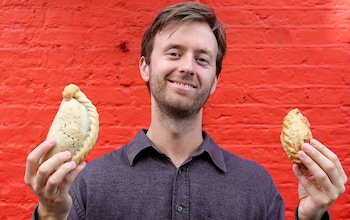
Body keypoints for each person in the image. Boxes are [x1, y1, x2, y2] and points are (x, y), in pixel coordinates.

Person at [25, 2, 347, 220]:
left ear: (215, 80)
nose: (188, 67)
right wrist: (52, 214)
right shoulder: (89, 183)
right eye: (174, 53)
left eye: (203, 59)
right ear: (145, 67)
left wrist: (312, 217)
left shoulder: (256, 186)